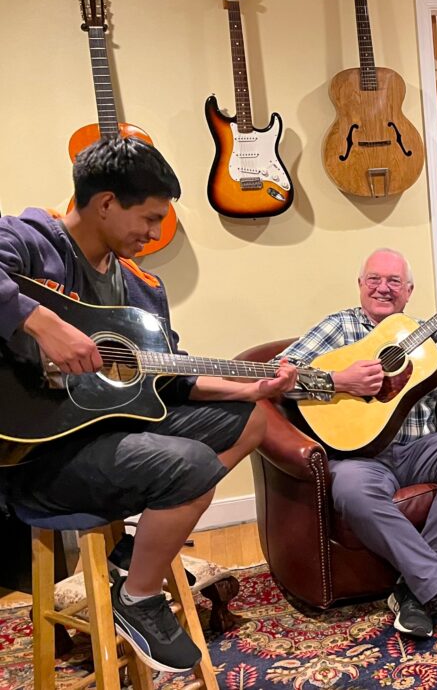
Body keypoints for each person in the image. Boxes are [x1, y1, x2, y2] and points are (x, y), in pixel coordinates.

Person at [0, 137, 297, 673]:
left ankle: (130, 561)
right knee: (191, 465)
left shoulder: (142, 288)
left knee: (253, 418)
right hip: (38, 455)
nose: (156, 233)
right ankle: (138, 600)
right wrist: (42, 323)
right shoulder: (30, 241)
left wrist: (248, 388)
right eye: (150, 217)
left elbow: (169, 379)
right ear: (106, 203)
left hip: (108, 437)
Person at [277, 248, 437, 638]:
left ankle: (413, 591)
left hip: (420, 449)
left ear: (408, 291)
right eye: (374, 279)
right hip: (361, 457)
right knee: (353, 492)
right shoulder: (339, 328)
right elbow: (281, 374)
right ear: (360, 285)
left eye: (394, 282)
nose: (383, 288)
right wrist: (341, 380)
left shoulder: (422, 331)